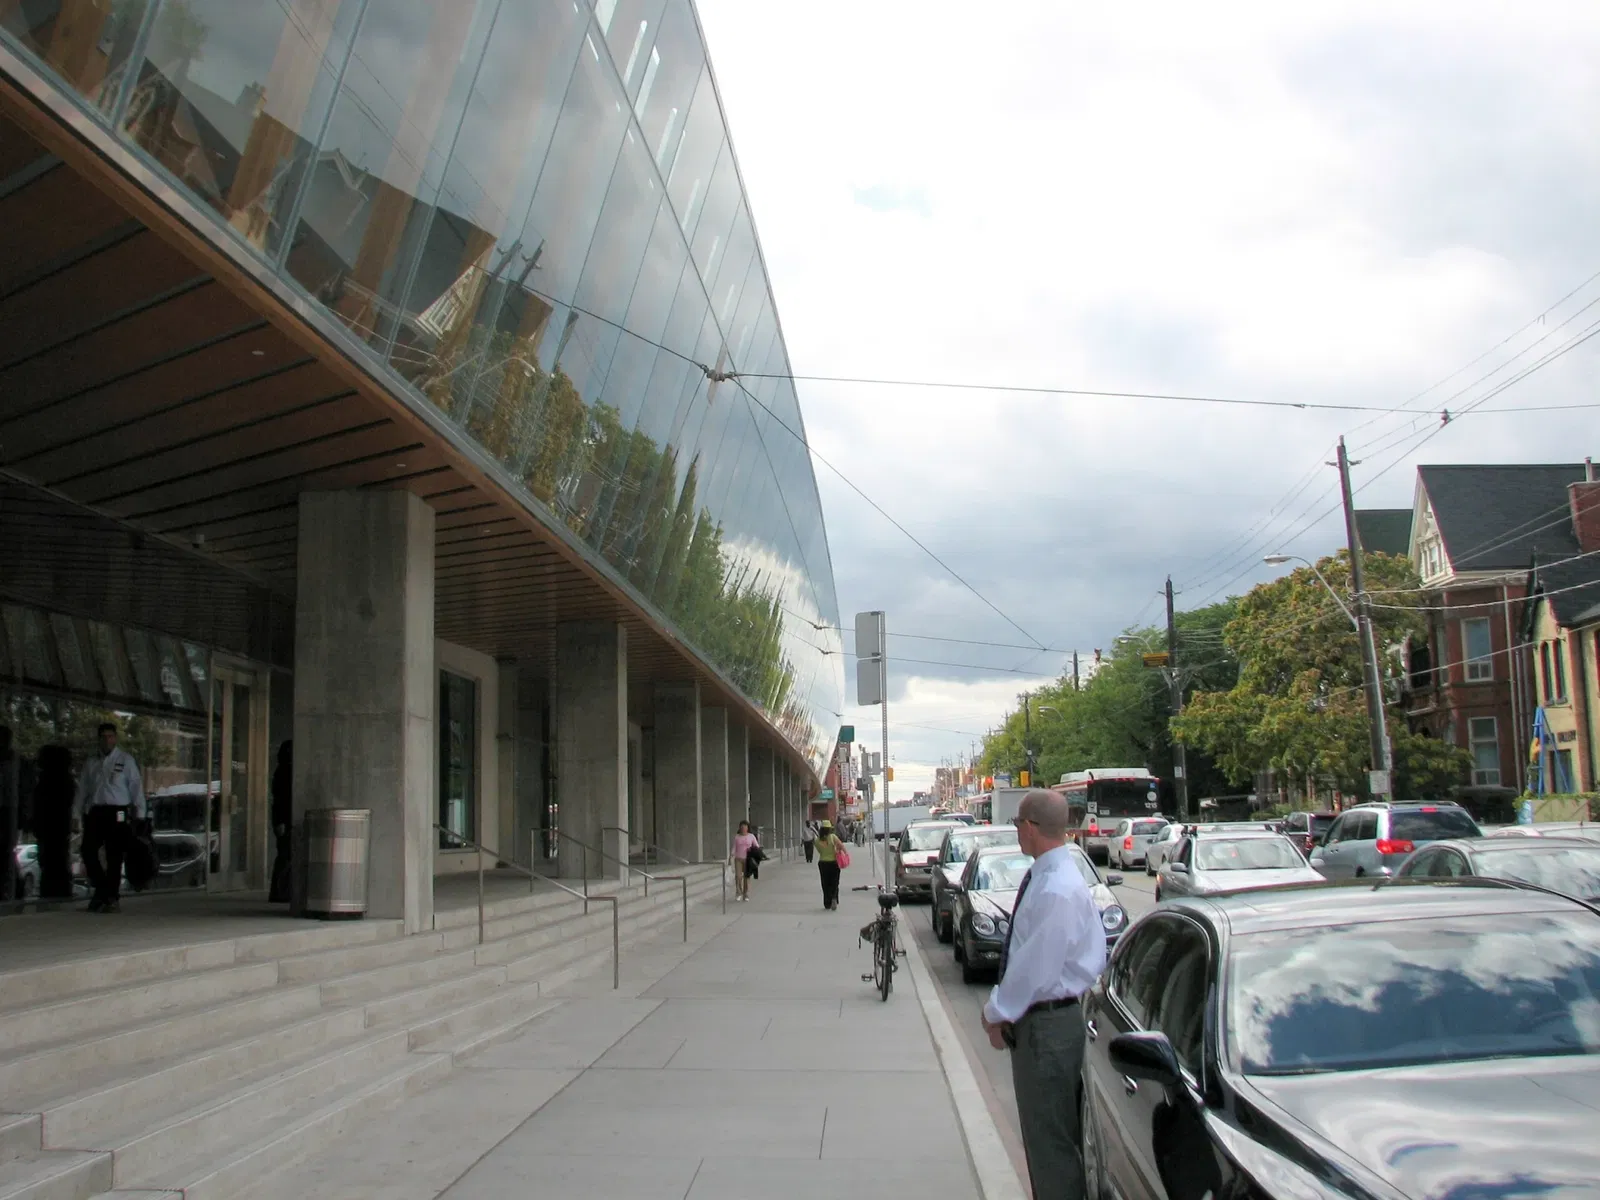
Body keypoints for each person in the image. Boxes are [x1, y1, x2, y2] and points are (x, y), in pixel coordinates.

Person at [979, 790, 1106, 1200]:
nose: (1016, 831)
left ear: (1031, 828)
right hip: (1048, 1021)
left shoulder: (1055, 888)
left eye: (1018, 824)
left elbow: (1036, 967)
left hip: (1047, 1025)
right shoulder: (1051, 877)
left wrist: (997, 1011)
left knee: (1049, 1143)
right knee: (1050, 1136)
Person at [74, 722, 146, 913]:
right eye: (104, 737)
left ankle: (111, 898)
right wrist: (76, 813)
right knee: (88, 849)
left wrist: (140, 814)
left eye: (110, 736)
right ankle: (102, 889)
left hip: (118, 812)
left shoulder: (125, 760)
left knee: (114, 855)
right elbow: (83, 789)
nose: (107, 740)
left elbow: (136, 788)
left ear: (115, 738)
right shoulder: (92, 762)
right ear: (99, 739)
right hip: (96, 811)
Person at [32, 745, 76, 900]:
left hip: (52, 827)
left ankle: (54, 890)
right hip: (56, 828)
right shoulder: (65, 782)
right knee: (55, 858)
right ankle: (57, 889)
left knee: (52, 859)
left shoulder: (49, 782)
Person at [269, 741, 293, 903]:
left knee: (285, 855)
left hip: (283, 819)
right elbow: (281, 800)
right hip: (284, 819)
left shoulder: (282, 771)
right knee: (285, 856)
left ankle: (281, 890)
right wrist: (280, 822)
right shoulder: (284, 772)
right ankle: (280, 891)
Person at [0, 725, 17, 902]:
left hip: (7, 811)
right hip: (7, 810)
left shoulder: (13, 762)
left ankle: (10, 888)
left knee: (5, 850)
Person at [813, 819, 845, 911]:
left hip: (823, 863)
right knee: (835, 882)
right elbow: (841, 846)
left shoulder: (817, 840)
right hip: (834, 863)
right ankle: (834, 898)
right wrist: (841, 852)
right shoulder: (833, 837)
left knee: (825, 883)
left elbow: (820, 851)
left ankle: (827, 903)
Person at [731, 820, 759, 901]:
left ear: (747, 828)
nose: (743, 829)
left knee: (747, 877)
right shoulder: (737, 837)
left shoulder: (751, 836)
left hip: (748, 859)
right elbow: (734, 847)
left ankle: (746, 894)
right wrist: (731, 855)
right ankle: (738, 892)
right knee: (738, 877)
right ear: (740, 828)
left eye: (745, 827)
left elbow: (756, 846)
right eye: (742, 827)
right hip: (738, 859)